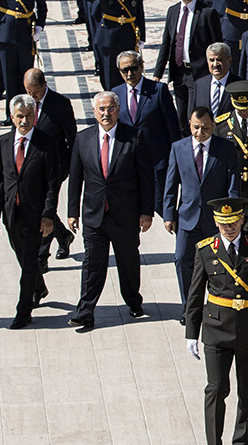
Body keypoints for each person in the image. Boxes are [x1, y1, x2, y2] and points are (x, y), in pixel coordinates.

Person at [183, 197, 248, 445]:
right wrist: (191, 333)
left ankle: (241, 441)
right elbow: (195, 295)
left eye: (234, 222)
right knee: (216, 390)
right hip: (217, 330)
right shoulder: (205, 250)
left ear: (242, 219)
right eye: (224, 223)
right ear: (216, 223)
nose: (230, 228)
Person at [66, 91, 154, 331]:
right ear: (94, 112)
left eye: (111, 108)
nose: (106, 113)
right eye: (102, 109)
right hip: (94, 215)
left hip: (124, 215)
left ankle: (133, 300)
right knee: (92, 264)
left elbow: (146, 178)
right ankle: (85, 311)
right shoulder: (83, 139)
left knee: (128, 261)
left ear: (118, 110)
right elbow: (76, 178)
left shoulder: (134, 138)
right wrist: (72, 211)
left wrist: (147, 212)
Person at [162, 107, 240, 315]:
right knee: (182, 260)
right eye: (196, 127)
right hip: (187, 218)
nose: (200, 132)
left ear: (213, 125)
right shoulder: (178, 148)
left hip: (216, 219)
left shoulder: (225, 148)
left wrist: (232, 217)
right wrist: (168, 214)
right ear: (189, 124)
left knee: (220, 264)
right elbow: (171, 184)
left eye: (205, 127)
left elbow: (233, 185)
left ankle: (218, 306)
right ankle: (189, 308)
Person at [0, 96, 57, 330]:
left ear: (35, 116)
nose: (24, 120)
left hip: (35, 214)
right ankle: (38, 287)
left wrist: (49, 214)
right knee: (21, 256)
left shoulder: (46, 143)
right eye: (20, 116)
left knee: (29, 261)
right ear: (12, 117)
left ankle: (23, 310)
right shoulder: (3, 141)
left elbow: (52, 183)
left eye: (29, 116)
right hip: (12, 213)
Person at [154, 0, 222, 132]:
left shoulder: (206, 12)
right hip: (178, 72)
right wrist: (158, 72)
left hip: (198, 73)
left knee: (194, 114)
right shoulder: (172, 11)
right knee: (180, 118)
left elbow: (217, 45)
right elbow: (167, 44)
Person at [113, 51, 181, 212]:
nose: (130, 74)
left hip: (157, 162)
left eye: (134, 68)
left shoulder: (158, 90)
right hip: (129, 165)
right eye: (125, 70)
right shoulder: (116, 93)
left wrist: (176, 160)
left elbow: (172, 128)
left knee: (160, 208)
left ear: (142, 67)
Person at [24, 69, 77, 264]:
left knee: (45, 206)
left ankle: (41, 256)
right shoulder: (24, 102)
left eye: (35, 92)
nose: (32, 96)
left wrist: (75, 165)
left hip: (56, 166)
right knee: (40, 206)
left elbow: (72, 137)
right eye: (28, 91)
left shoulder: (60, 104)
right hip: (31, 164)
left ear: (44, 85)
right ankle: (63, 235)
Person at [85, 0, 145, 90]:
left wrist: (142, 36)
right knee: (109, 73)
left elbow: (139, 12)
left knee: (130, 70)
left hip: (128, 34)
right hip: (108, 35)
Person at [191, 43, 242, 118]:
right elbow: (192, 114)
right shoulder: (199, 84)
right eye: (211, 60)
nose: (215, 64)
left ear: (229, 60)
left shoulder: (239, 85)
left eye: (219, 60)